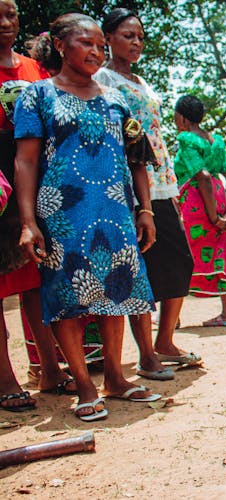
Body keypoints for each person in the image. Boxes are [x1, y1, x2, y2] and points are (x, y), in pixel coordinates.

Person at [14, 13, 161, 421]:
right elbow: (25, 162)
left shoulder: (116, 98)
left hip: (115, 207)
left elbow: (137, 158)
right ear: (60, 46)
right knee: (68, 298)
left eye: (100, 45)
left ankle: (115, 378)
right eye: (86, 43)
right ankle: (83, 385)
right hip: (62, 210)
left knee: (117, 291)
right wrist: (28, 221)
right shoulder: (37, 95)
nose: (96, 51)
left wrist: (145, 210)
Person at [95, 8, 199, 380]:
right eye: (127, 35)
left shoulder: (141, 80)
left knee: (180, 260)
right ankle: (145, 356)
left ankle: (165, 341)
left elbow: (153, 135)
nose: (136, 42)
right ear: (107, 38)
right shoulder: (100, 78)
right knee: (139, 268)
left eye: (139, 36)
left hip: (159, 180)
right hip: (124, 183)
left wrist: (169, 191)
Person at [1, 0, 85, 412]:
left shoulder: (32, 70)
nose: (5, 23)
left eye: (10, 14)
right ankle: (5, 378)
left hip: (32, 182)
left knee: (38, 278)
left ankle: (50, 368)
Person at [173, 95, 226, 326]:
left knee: (182, 255)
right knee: (218, 252)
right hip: (218, 197)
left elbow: (203, 176)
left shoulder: (186, 140)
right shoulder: (215, 142)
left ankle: (173, 318)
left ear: (181, 117)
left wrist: (212, 216)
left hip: (197, 202)